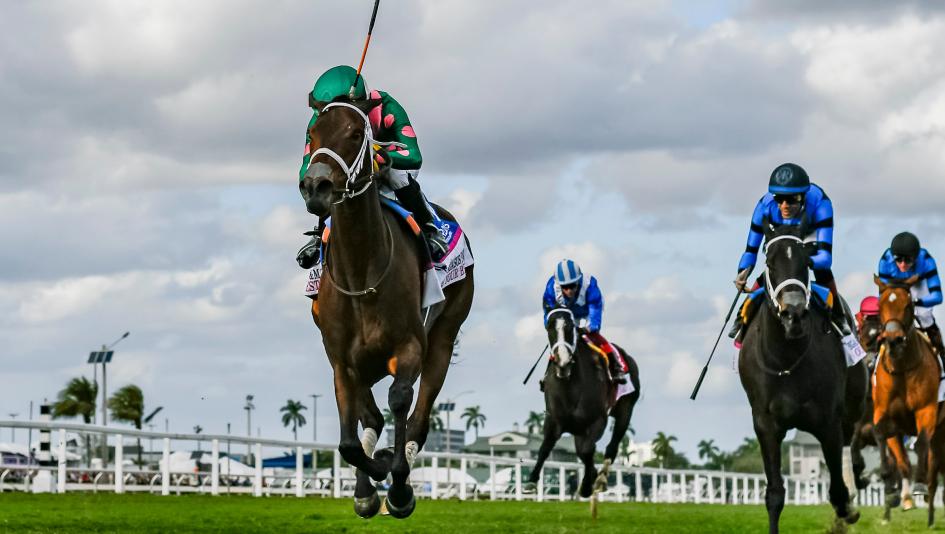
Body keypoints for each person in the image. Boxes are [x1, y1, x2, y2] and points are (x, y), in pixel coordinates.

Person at [296, 65, 447, 269]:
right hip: (351, 167)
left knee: (397, 177)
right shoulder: (320, 120)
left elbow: (413, 156)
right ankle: (320, 234)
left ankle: (429, 229)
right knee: (331, 178)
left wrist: (377, 157)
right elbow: (307, 165)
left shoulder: (387, 106)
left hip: (392, 163)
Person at [729, 162, 850, 342]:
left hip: (808, 233)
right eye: (779, 199)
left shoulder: (820, 204)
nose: (785, 206)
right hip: (780, 234)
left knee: (819, 269)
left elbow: (825, 258)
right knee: (777, 262)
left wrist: (805, 260)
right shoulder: (764, 207)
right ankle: (742, 316)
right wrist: (743, 271)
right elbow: (750, 250)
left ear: (803, 196)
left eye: (792, 200)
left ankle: (839, 316)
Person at [542, 259, 629, 384]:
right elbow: (548, 312)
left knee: (594, 337)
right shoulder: (551, 288)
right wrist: (551, 326)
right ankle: (547, 374)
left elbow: (595, 309)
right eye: (565, 287)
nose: (569, 290)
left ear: (579, 281)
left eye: (572, 285)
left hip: (587, 312)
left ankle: (616, 366)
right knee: (560, 341)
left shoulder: (590, 286)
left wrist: (591, 327)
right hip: (566, 314)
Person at [877, 232, 945, 364]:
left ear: (916, 257)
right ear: (893, 257)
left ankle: (941, 352)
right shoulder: (885, 261)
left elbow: (938, 297)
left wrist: (916, 302)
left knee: (925, 316)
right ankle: (875, 357)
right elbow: (883, 297)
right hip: (895, 288)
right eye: (898, 259)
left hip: (918, 285)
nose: (902, 265)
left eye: (908, 260)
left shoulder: (926, 260)